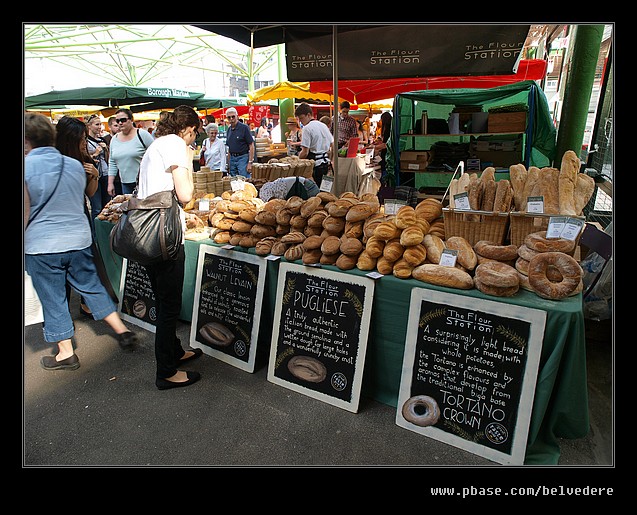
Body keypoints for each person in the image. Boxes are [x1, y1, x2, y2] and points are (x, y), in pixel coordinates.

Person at [24, 113, 137, 371]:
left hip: (43, 245)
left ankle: (66, 353)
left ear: (27, 140)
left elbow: (25, 211)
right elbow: (82, 199)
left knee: (53, 298)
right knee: (92, 286)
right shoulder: (74, 165)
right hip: (78, 238)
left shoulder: (27, 166)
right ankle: (121, 329)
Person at [136, 105, 202, 390]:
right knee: (169, 305)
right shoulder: (176, 145)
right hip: (165, 236)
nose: (193, 140)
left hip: (149, 233)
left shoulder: (156, 144)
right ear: (189, 129)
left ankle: (174, 351)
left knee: (163, 298)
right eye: (194, 135)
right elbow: (185, 194)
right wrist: (188, 159)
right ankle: (166, 371)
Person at [106, 108, 154, 196]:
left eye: (123, 120)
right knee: (129, 208)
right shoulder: (114, 139)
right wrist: (110, 183)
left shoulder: (142, 134)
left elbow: (155, 154)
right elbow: (112, 162)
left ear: (131, 120)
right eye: (118, 121)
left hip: (144, 182)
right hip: (125, 183)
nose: (120, 123)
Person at [294, 102, 333, 186]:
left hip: (315, 166)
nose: (300, 121)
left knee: (315, 193)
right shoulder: (323, 125)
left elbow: (305, 152)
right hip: (327, 164)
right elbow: (332, 145)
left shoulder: (307, 128)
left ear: (308, 115)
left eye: (301, 118)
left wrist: (297, 159)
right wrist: (331, 159)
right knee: (326, 192)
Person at [85, 114, 110, 223]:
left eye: (100, 124)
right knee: (96, 207)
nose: (100, 127)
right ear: (89, 126)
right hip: (93, 176)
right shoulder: (86, 141)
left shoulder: (102, 140)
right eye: (97, 124)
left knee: (106, 207)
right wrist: (95, 153)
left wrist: (106, 150)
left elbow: (107, 159)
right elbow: (84, 158)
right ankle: (96, 236)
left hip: (105, 173)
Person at [225, 107, 254, 178]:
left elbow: (251, 145)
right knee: (234, 182)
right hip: (232, 158)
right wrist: (228, 163)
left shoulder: (244, 128)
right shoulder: (229, 130)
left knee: (244, 180)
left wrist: (250, 162)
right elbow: (229, 148)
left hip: (243, 158)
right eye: (229, 117)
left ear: (237, 117)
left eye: (233, 117)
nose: (231, 119)